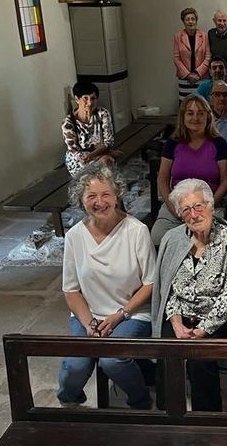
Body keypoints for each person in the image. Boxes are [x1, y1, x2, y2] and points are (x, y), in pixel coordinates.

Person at [57, 163, 155, 410]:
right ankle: (69, 404)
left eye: (105, 195)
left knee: (112, 360)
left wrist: (119, 315)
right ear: (81, 201)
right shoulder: (75, 237)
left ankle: (141, 402)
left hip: (131, 311)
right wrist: (89, 322)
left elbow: (150, 283)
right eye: (91, 196)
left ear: (116, 195)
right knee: (75, 367)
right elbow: (71, 290)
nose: (99, 202)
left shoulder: (136, 231)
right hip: (89, 314)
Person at [152, 179, 227, 412]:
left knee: (199, 357)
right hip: (181, 313)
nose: (194, 214)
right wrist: (175, 323)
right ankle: (169, 414)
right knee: (168, 350)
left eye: (199, 206)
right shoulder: (173, 239)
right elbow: (169, 288)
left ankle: (206, 417)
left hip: (221, 317)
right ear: (179, 214)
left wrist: (203, 329)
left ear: (211, 206)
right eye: (186, 209)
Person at [150, 94, 227, 245]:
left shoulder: (219, 144)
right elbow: (162, 178)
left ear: (208, 116)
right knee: (157, 237)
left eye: (200, 113)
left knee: (207, 242)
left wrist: (209, 205)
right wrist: (174, 208)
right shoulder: (173, 143)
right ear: (183, 117)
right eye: (190, 113)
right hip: (177, 204)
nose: (195, 118)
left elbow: (225, 181)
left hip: (208, 205)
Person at [62, 82, 122, 177]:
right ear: (77, 99)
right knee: (106, 162)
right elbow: (77, 153)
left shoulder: (103, 114)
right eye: (85, 98)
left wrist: (92, 154)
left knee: (106, 164)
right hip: (78, 161)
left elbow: (109, 142)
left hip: (97, 155)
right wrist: (102, 153)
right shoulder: (68, 123)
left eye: (93, 98)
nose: (89, 103)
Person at [173, 7, 211, 101]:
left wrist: (198, 73)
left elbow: (208, 56)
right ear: (183, 21)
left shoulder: (204, 35)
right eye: (187, 19)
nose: (190, 21)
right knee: (185, 106)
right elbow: (176, 58)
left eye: (193, 19)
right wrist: (188, 75)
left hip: (201, 78)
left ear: (196, 21)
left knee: (202, 104)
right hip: (185, 79)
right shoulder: (178, 37)